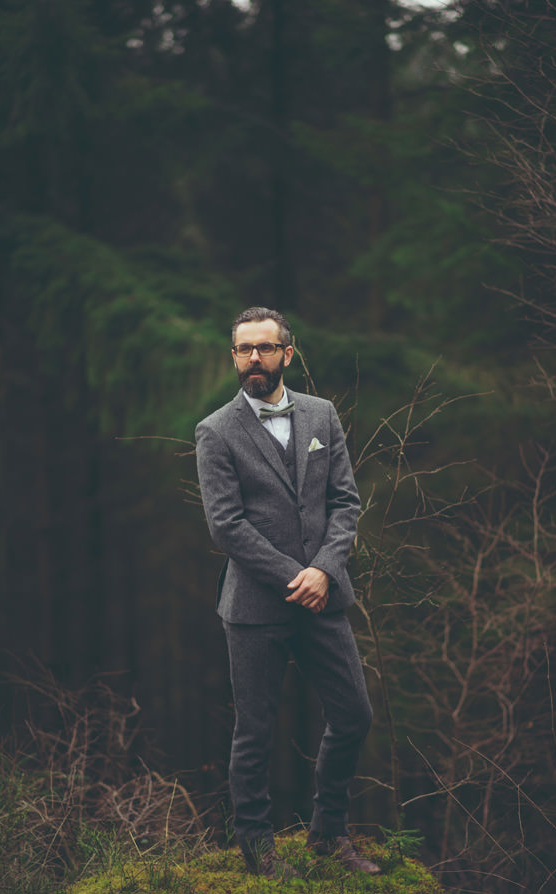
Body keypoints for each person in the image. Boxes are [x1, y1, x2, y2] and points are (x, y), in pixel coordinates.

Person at [194, 307, 379, 878]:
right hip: (254, 608)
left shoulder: (322, 415)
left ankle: (328, 837)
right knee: (255, 731)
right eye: (244, 349)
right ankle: (257, 851)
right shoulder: (215, 430)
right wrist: (294, 577)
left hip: (325, 596)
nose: (255, 358)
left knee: (354, 715)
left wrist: (323, 569)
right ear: (233, 357)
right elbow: (225, 526)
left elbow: (345, 503)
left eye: (266, 348)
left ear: (287, 353)